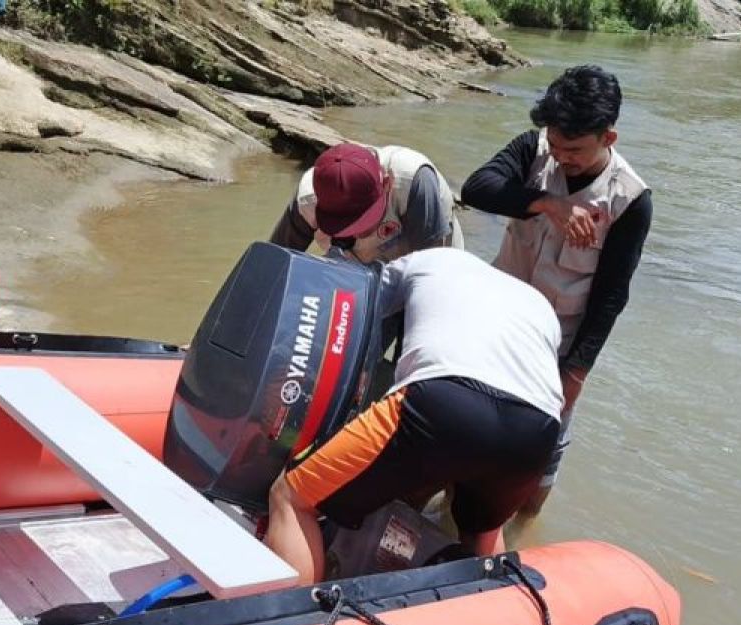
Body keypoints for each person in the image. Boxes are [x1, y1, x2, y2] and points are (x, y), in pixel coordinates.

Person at [264, 247, 563, 585]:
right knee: (483, 532)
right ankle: (503, 613)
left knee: (291, 497)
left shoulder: (426, 260)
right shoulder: (537, 303)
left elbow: (354, 308)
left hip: (442, 400)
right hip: (537, 432)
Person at [460, 64, 652, 515]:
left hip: (555, 346)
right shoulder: (534, 151)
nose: (562, 156)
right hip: (494, 329)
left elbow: (610, 297)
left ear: (609, 138)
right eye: (556, 144)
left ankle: (525, 524)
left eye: (576, 149)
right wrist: (546, 203)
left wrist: (576, 374)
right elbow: (475, 189)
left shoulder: (630, 201)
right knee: (468, 441)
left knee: (538, 471)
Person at [269, 142, 463, 264]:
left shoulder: (415, 183)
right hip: (357, 264)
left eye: (363, 222)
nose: (357, 234)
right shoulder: (309, 198)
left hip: (425, 253)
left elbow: (430, 274)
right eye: (344, 228)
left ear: (388, 183)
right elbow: (272, 263)